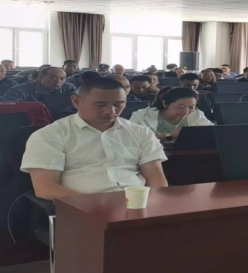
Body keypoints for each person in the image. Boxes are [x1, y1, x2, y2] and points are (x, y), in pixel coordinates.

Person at [20, 77, 168, 200]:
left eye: (118, 104)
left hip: (136, 204)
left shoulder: (140, 132)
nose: (111, 111)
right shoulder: (50, 135)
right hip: (81, 207)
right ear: (76, 102)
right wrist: (93, 206)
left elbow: (156, 179)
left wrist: (152, 205)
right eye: (100, 105)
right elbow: (46, 188)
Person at [130, 87, 213, 141]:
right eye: (180, 107)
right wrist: (169, 135)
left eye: (191, 107)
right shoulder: (142, 116)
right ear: (165, 103)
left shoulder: (196, 114)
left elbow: (213, 133)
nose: (186, 111)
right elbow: (132, 140)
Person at [3, 66, 76, 102]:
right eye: (54, 78)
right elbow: (9, 108)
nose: (58, 81)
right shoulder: (19, 90)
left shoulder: (69, 88)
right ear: (41, 77)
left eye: (62, 79)